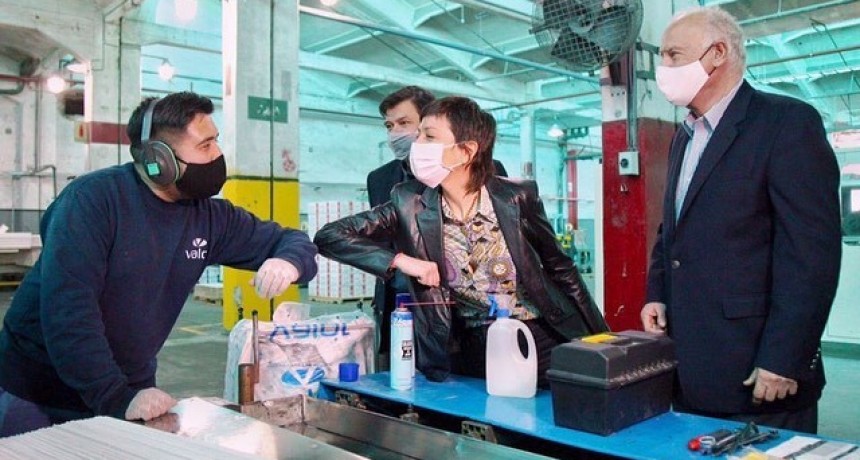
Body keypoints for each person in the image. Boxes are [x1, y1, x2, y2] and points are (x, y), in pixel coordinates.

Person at [0, 91, 318, 436]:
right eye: (205, 145)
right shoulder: (93, 202)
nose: (217, 155)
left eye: (216, 141)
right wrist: (115, 396)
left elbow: (290, 240)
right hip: (39, 391)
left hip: (128, 388)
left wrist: (289, 261)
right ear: (159, 158)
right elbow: (69, 314)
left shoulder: (209, 217)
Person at [641, 6, 841, 433]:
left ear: (717, 54)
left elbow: (811, 254)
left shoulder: (786, 123)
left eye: (673, 55)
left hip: (760, 373)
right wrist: (657, 292)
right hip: (691, 368)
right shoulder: (684, 137)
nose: (664, 68)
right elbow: (672, 227)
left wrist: (784, 358)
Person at [318, 96, 607, 384]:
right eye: (419, 135)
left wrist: (602, 339)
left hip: (537, 337)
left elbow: (561, 268)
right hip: (469, 347)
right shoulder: (409, 202)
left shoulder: (517, 197)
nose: (417, 144)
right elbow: (330, 236)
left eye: (429, 136)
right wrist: (402, 261)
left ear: (466, 151)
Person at [366, 86, 508, 367]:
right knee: (402, 372)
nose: (395, 133)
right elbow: (378, 240)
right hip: (401, 297)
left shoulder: (487, 170)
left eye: (404, 123)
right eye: (389, 126)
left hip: (461, 301)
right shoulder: (380, 179)